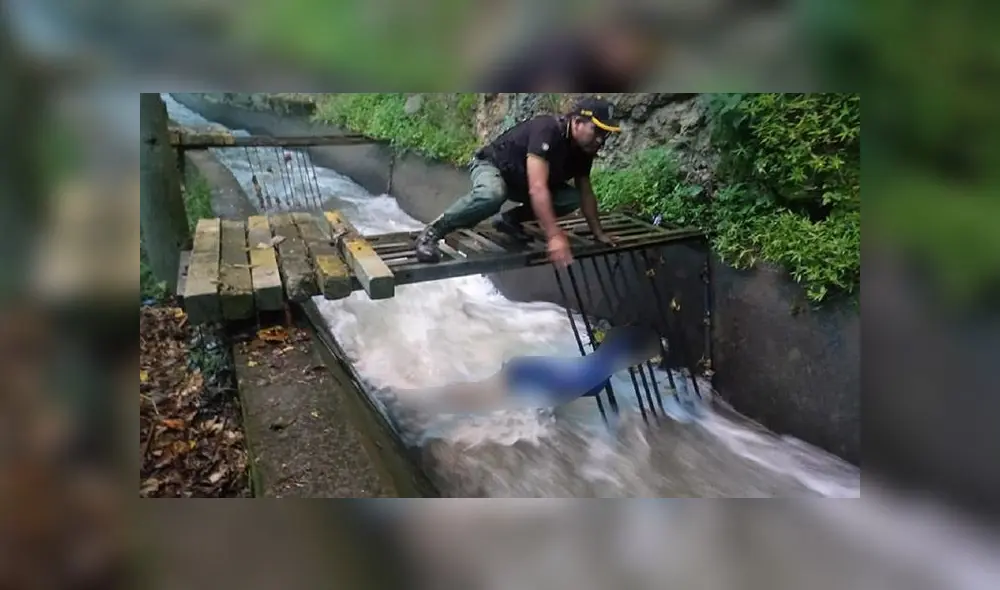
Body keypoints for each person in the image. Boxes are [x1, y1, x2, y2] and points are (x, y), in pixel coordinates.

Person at [413, 97, 623, 266]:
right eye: (597, 131)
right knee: (492, 195)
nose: (600, 140)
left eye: (605, 134)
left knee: (571, 198)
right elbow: (538, 188)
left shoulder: (584, 149)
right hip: (494, 167)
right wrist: (554, 236)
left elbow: (586, 192)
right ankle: (432, 232)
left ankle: (510, 220)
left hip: (522, 180)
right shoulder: (548, 131)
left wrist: (599, 233)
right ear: (577, 123)